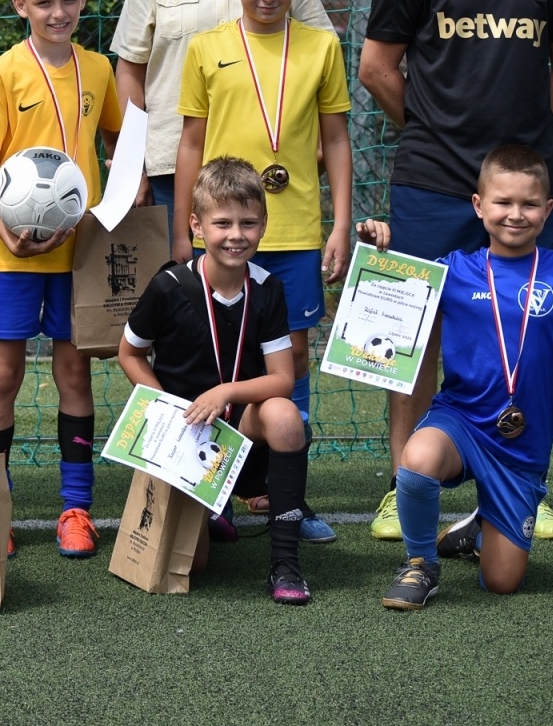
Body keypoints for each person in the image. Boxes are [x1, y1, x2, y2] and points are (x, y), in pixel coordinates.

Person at [358, 0, 553, 542]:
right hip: (430, 180)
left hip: (524, 188)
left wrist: (510, 158)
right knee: (412, 337)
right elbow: (376, 67)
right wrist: (433, 129)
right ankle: (404, 486)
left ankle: (525, 485)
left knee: (527, 337)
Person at [111, 0, 337, 544]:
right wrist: (135, 162)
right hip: (184, 179)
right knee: (191, 340)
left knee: (279, 348)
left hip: (275, 198)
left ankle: (274, 492)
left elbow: (316, 64)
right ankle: (197, 479)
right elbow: (131, 66)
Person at [381, 145, 553, 609]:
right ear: (479, 206)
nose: (515, 214)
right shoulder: (452, 270)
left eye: (528, 204)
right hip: (461, 422)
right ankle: (420, 563)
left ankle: (477, 529)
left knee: (502, 582)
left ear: (547, 210)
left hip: (521, 445)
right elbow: (390, 299)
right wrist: (378, 249)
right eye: (503, 203)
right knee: (416, 460)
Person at [118, 158, 393, 605]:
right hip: (184, 442)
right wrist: (164, 406)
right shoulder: (168, 286)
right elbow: (130, 353)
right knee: (197, 566)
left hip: (241, 437)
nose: (236, 234)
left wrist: (227, 392)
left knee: (286, 418)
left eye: (248, 222)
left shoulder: (268, 290)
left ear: (263, 225)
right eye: (222, 222)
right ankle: (209, 511)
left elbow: (283, 379)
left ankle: (285, 564)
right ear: (197, 225)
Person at [173, 0, 353, 544]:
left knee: (293, 359)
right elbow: (190, 144)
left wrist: (341, 224)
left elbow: (335, 139)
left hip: (296, 227)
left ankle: (286, 498)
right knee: (217, 357)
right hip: (224, 231)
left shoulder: (321, 48)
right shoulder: (206, 48)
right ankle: (213, 489)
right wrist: (182, 233)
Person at [0, 0, 122, 560]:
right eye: (44, 3)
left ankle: (76, 508)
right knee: (2, 374)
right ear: (21, 6)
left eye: (67, 0)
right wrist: (6, 232)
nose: (57, 12)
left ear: (83, 0)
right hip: (11, 252)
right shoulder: (3, 73)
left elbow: (117, 145)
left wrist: (113, 207)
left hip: (78, 252)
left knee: (73, 373)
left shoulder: (100, 70)